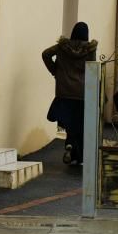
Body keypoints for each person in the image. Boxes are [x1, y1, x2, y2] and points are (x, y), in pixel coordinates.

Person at [42, 21, 98, 164]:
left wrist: (55, 70)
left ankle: (70, 145)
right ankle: (77, 155)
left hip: (64, 91)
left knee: (69, 122)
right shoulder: (90, 49)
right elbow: (92, 69)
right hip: (82, 93)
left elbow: (46, 54)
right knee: (81, 125)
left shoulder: (62, 46)